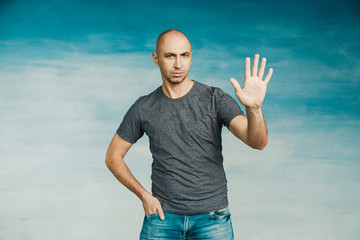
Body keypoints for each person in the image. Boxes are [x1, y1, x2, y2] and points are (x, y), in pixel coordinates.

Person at [105, 29, 273, 240]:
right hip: (162, 219)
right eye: (170, 56)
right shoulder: (144, 107)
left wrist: (255, 109)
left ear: (191, 58)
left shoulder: (215, 99)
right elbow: (112, 157)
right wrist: (144, 196)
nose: (178, 64)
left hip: (213, 219)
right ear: (156, 59)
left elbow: (257, 142)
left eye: (184, 55)